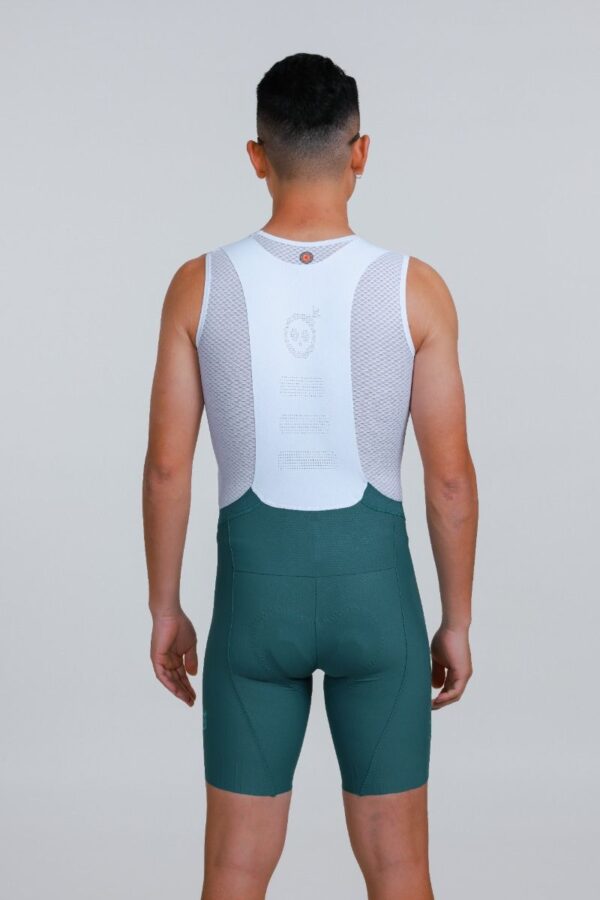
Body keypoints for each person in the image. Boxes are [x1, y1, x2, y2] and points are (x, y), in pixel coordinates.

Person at [143, 52, 478, 900]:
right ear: (360, 152)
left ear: (257, 156)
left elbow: (168, 467)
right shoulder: (415, 290)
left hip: (255, 606)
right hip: (379, 603)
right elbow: (449, 482)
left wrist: (165, 607)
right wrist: (456, 621)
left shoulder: (198, 286)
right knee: (400, 870)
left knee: (234, 870)